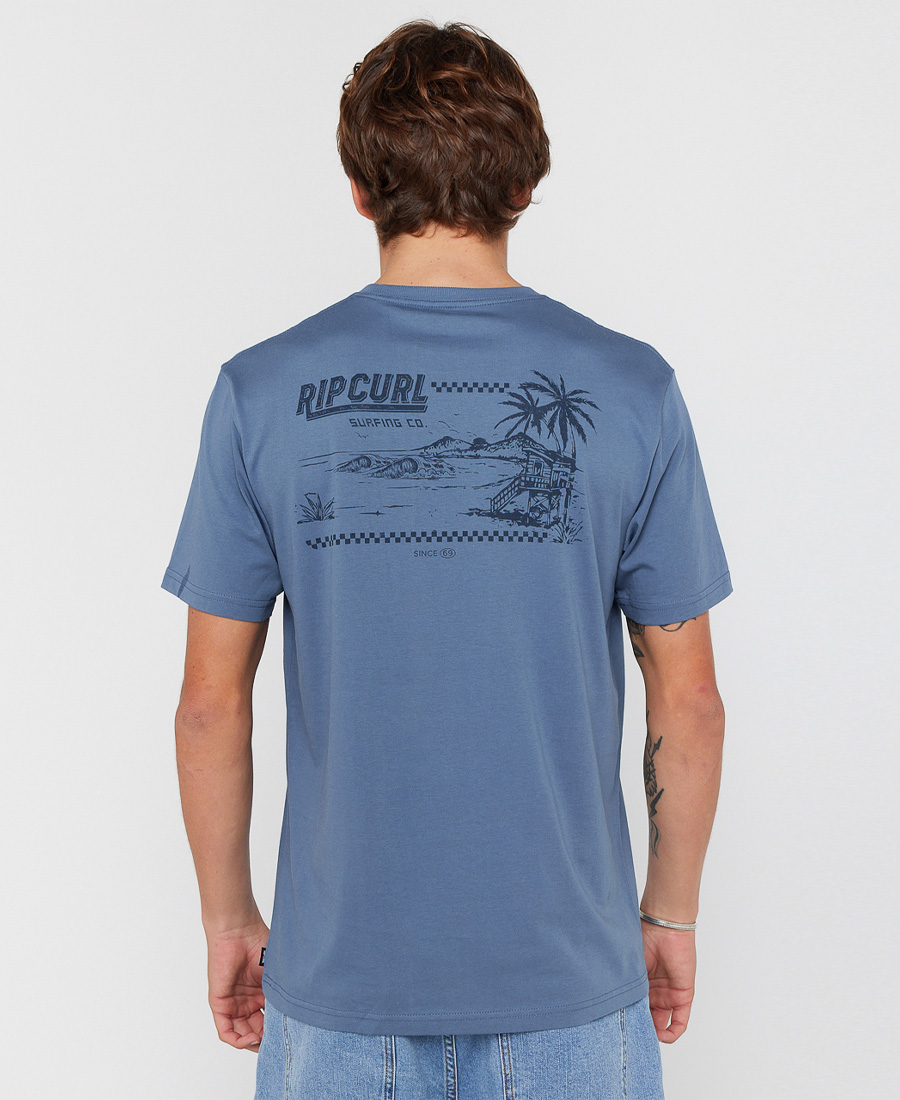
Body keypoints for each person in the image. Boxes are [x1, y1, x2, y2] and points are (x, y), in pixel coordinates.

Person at [161, 19, 732, 1100]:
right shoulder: (634, 389)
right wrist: (670, 912)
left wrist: (230, 919)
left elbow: (207, 704)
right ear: (524, 187)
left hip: (338, 993)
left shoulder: (258, 392)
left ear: (359, 190)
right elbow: (690, 700)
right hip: (572, 987)